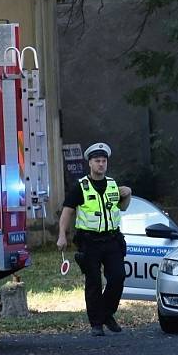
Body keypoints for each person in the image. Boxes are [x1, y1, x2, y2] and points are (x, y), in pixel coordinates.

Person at [57, 142, 132, 336]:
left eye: (104, 161)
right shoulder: (81, 187)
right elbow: (67, 212)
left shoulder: (113, 185)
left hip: (112, 240)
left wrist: (128, 194)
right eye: (97, 161)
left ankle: (107, 313)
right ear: (90, 163)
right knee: (94, 283)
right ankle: (96, 323)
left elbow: (122, 208)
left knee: (118, 277)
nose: (101, 164)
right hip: (89, 241)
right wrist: (61, 235)